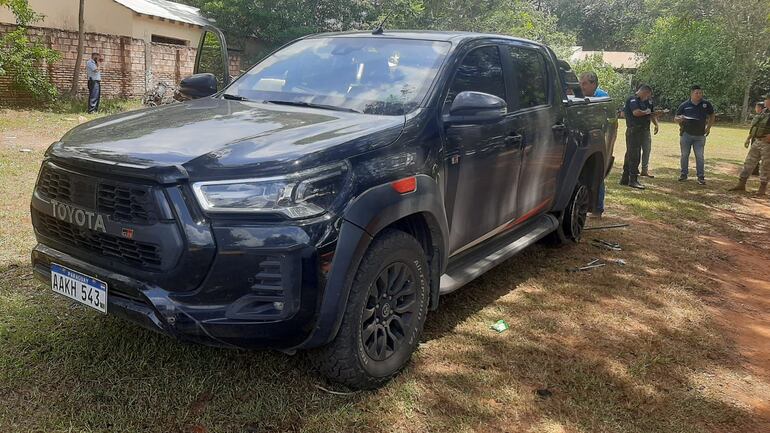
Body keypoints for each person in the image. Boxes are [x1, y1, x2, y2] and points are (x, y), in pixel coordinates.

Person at [579, 72, 609, 217]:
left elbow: (609, 123)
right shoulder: (580, 95)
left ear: (593, 84)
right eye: (581, 83)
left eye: (584, 83)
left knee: (598, 174)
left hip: (598, 140)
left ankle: (598, 208)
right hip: (584, 139)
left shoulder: (602, 97)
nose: (581, 86)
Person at [728, 93, 770, 196]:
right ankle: (741, 184)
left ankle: (762, 188)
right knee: (749, 162)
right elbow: (756, 126)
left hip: (767, 144)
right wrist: (749, 138)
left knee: (766, 166)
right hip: (757, 141)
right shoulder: (764, 112)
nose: (765, 101)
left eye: (767, 99)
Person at [674, 85, 716, 185]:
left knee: (700, 156)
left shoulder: (706, 104)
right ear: (691, 94)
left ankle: (700, 176)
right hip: (686, 134)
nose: (698, 95)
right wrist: (680, 119)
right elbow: (675, 118)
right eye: (696, 93)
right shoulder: (684, 105)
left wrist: (708, 127)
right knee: (684, 155)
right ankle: (684, 174)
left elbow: (712, 115)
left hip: (700, 135)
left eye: (700, 93)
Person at [621, 85, 658, 190]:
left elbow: (650, 114)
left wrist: (654, 117)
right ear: (644, 92)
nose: (647, 97)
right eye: (647, 95)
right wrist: (647, 112)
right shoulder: (633, 99)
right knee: (634, 155)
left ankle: (625, 178)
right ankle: (633, 180)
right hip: (634, 130)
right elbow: (636, 112)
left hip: (642, 130)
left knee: (631, 154)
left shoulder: (647, 102)